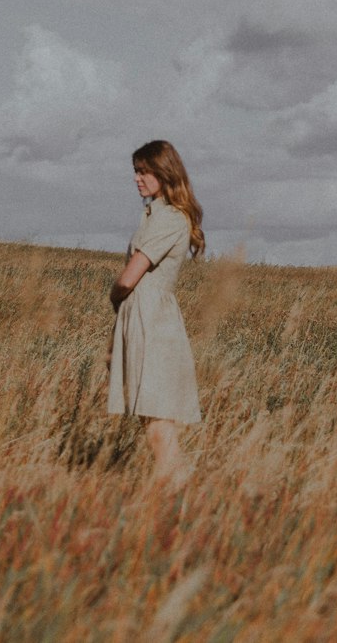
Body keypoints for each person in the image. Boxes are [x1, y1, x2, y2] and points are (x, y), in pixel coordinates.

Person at [107, 139, 204, 486]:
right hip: (142, 317)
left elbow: (131, 275)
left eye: (145, 172)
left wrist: (115, 293)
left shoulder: (170, 218)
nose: (138, 178)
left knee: (158, 420)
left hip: (152, 320)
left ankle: (171, 493)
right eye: (136, 171)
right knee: (152, 419)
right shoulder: (156, 215)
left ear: (165, 173)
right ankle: (177, 492)